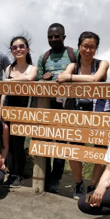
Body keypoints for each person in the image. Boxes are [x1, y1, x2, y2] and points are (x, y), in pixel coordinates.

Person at [57, 31, 109, 199]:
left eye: (92, 47)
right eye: (85, 46)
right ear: (79, 47)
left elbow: (95, 79)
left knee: (101, 149)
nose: (88, 50)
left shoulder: (103, 63)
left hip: (98, 112)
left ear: (96, 48)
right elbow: (60, 77)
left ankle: (93, 185)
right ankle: (79, 183)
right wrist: (67, 75)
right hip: (77, 113)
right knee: (74, 149)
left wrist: (70, 77)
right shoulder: (74, 65)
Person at [36, 23, 78, 193]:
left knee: (61, 141)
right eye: (50, 36)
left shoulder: (73, 53)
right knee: (45, 140)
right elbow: (38, 78)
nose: (53, 39)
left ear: (64, 37)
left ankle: (55, 178)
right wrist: (44, 78)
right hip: (48, 103)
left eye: (57, 36)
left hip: (68, 104)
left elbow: (81, 71)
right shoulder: (43, 57)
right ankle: (44, 177)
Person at [1, 35, 38, 188]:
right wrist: (1, 109)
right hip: (9, 107)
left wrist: (9, 81)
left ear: (27, 49)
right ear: (11, 51)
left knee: (18, 143)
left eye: (22, 46)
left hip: (23, 110)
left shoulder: (32, 68)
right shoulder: (9, 68)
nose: (18, 50)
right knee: (7, 142)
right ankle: (12, 172)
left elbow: (30, 79)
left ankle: (19, 174)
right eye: (15, 47)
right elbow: (4, 90)